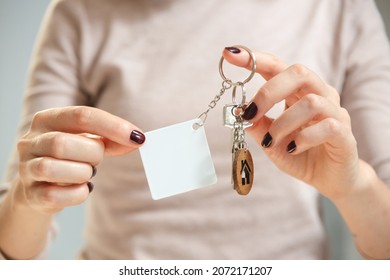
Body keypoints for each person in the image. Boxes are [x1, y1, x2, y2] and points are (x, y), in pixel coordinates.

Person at [0, 0, 390, 260]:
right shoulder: (79, 10)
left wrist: (352, 186)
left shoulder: (339, 8)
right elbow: (13, 241)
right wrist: (29, 196)